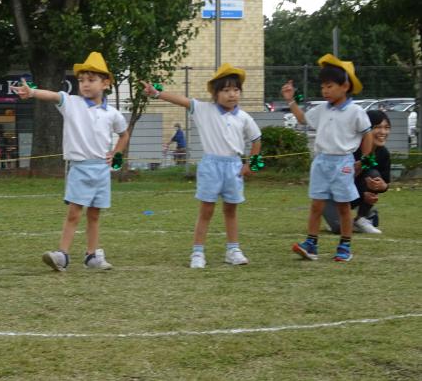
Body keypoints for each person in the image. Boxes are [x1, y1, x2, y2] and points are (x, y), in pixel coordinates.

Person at [15, 51, 129, 271]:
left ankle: (92, 256)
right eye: (81, 80)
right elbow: (54, 96)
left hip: (102, 171)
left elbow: (123, 135)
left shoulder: (113, 114)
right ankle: (63, 255)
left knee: (94, 214)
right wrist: (32, 92)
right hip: (80, 168)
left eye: (91, 80)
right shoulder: (72, 103)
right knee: (74, 213)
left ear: (105, 83)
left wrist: (116, 153)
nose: (85, 84)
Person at [142, 63, 262, 268]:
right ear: (215, 94)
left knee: (231, 210)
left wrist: (251, 164)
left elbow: (257, 139)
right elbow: (181, 100)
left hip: (234, 167)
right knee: (206, 210)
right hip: (210, 166)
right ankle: (198, 253)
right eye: (225, 90)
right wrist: (156, 93)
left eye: (235, 90)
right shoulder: (203, 109)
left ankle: (233, 250)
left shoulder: (244, 117)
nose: (232, 94)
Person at [282, 54, 373, 262]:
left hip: (343, 163)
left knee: (343, 206)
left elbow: (367, 134)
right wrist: (290, 100)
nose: (325, 91)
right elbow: (303, 119)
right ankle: (311, 244)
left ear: (345, 86)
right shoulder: (322, 109)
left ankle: (345, 245)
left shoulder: (356, 111)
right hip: (321, 161)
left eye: (329, 86)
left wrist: (365, 160)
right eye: (323, 86)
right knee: (316, 205)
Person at [322, 110, 391, 234]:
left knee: (374, 175)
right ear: (366, 130)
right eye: (377, 127)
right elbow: (336, 181)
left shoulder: (383, 153)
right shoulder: (350, 148)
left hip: (353, 196)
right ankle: (340, 218)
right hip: (331, 196)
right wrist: (361, 192)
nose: (383, 132)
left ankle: (361, 219)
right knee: (340, 229)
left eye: (386, 128)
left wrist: (381, 186)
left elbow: (385, 183)